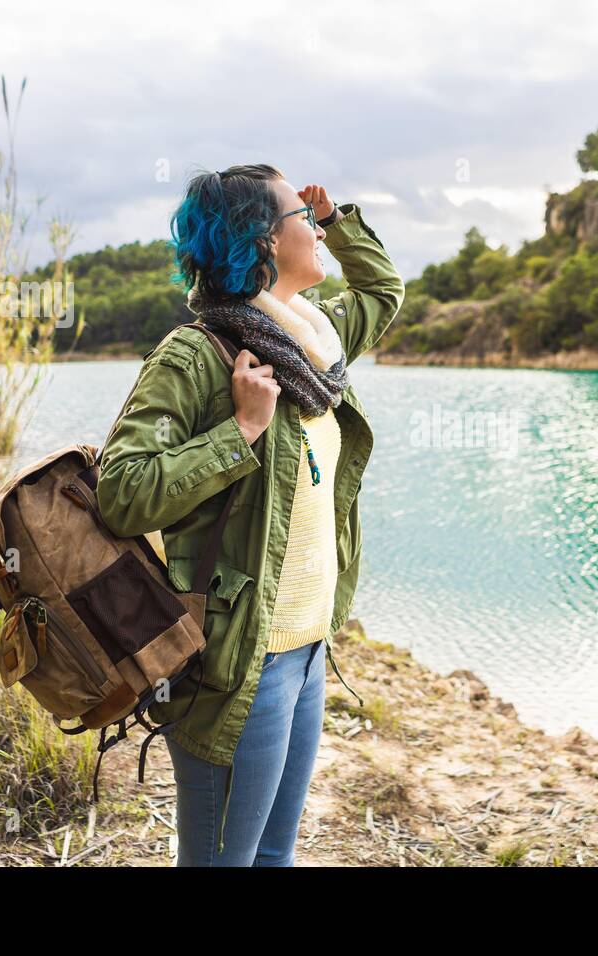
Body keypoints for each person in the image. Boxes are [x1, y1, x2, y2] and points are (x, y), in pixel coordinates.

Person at [95, 163, 404, 865]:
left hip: (305, 651)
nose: (315, 227)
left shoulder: (312, 344)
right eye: (302, 215)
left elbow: (384, 293)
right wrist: (238, 433)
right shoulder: (197, 355)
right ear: (262, 241)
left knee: (274, 858)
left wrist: (337, 224)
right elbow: (123, 492)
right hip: (240, 660)